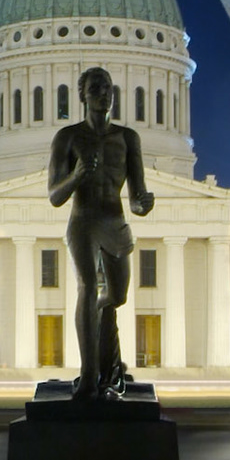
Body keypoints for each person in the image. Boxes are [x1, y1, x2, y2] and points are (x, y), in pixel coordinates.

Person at [47, 66, 155, 399]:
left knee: (117, 296)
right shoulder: (68, 137)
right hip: (83, 221)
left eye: (108, 88)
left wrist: (143, 204)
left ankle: (97, 322)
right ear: (82, 95)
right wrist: (78, 175)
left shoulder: (127, 138)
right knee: (88, 286)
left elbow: (137, 195)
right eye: (96, 88)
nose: (103, 94)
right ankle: (90, 376)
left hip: (114, 220)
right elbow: (54, 196)